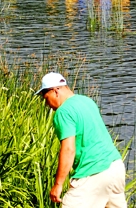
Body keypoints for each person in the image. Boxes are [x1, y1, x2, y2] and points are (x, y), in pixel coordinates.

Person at [36, 73, 126, 208]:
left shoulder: (63, 111)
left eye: (46, 98)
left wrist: (58, 184)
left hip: (94, 173)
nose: (47, 104)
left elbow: (68, 149)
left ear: (55, 91)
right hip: (115, 167)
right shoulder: (86, 101)